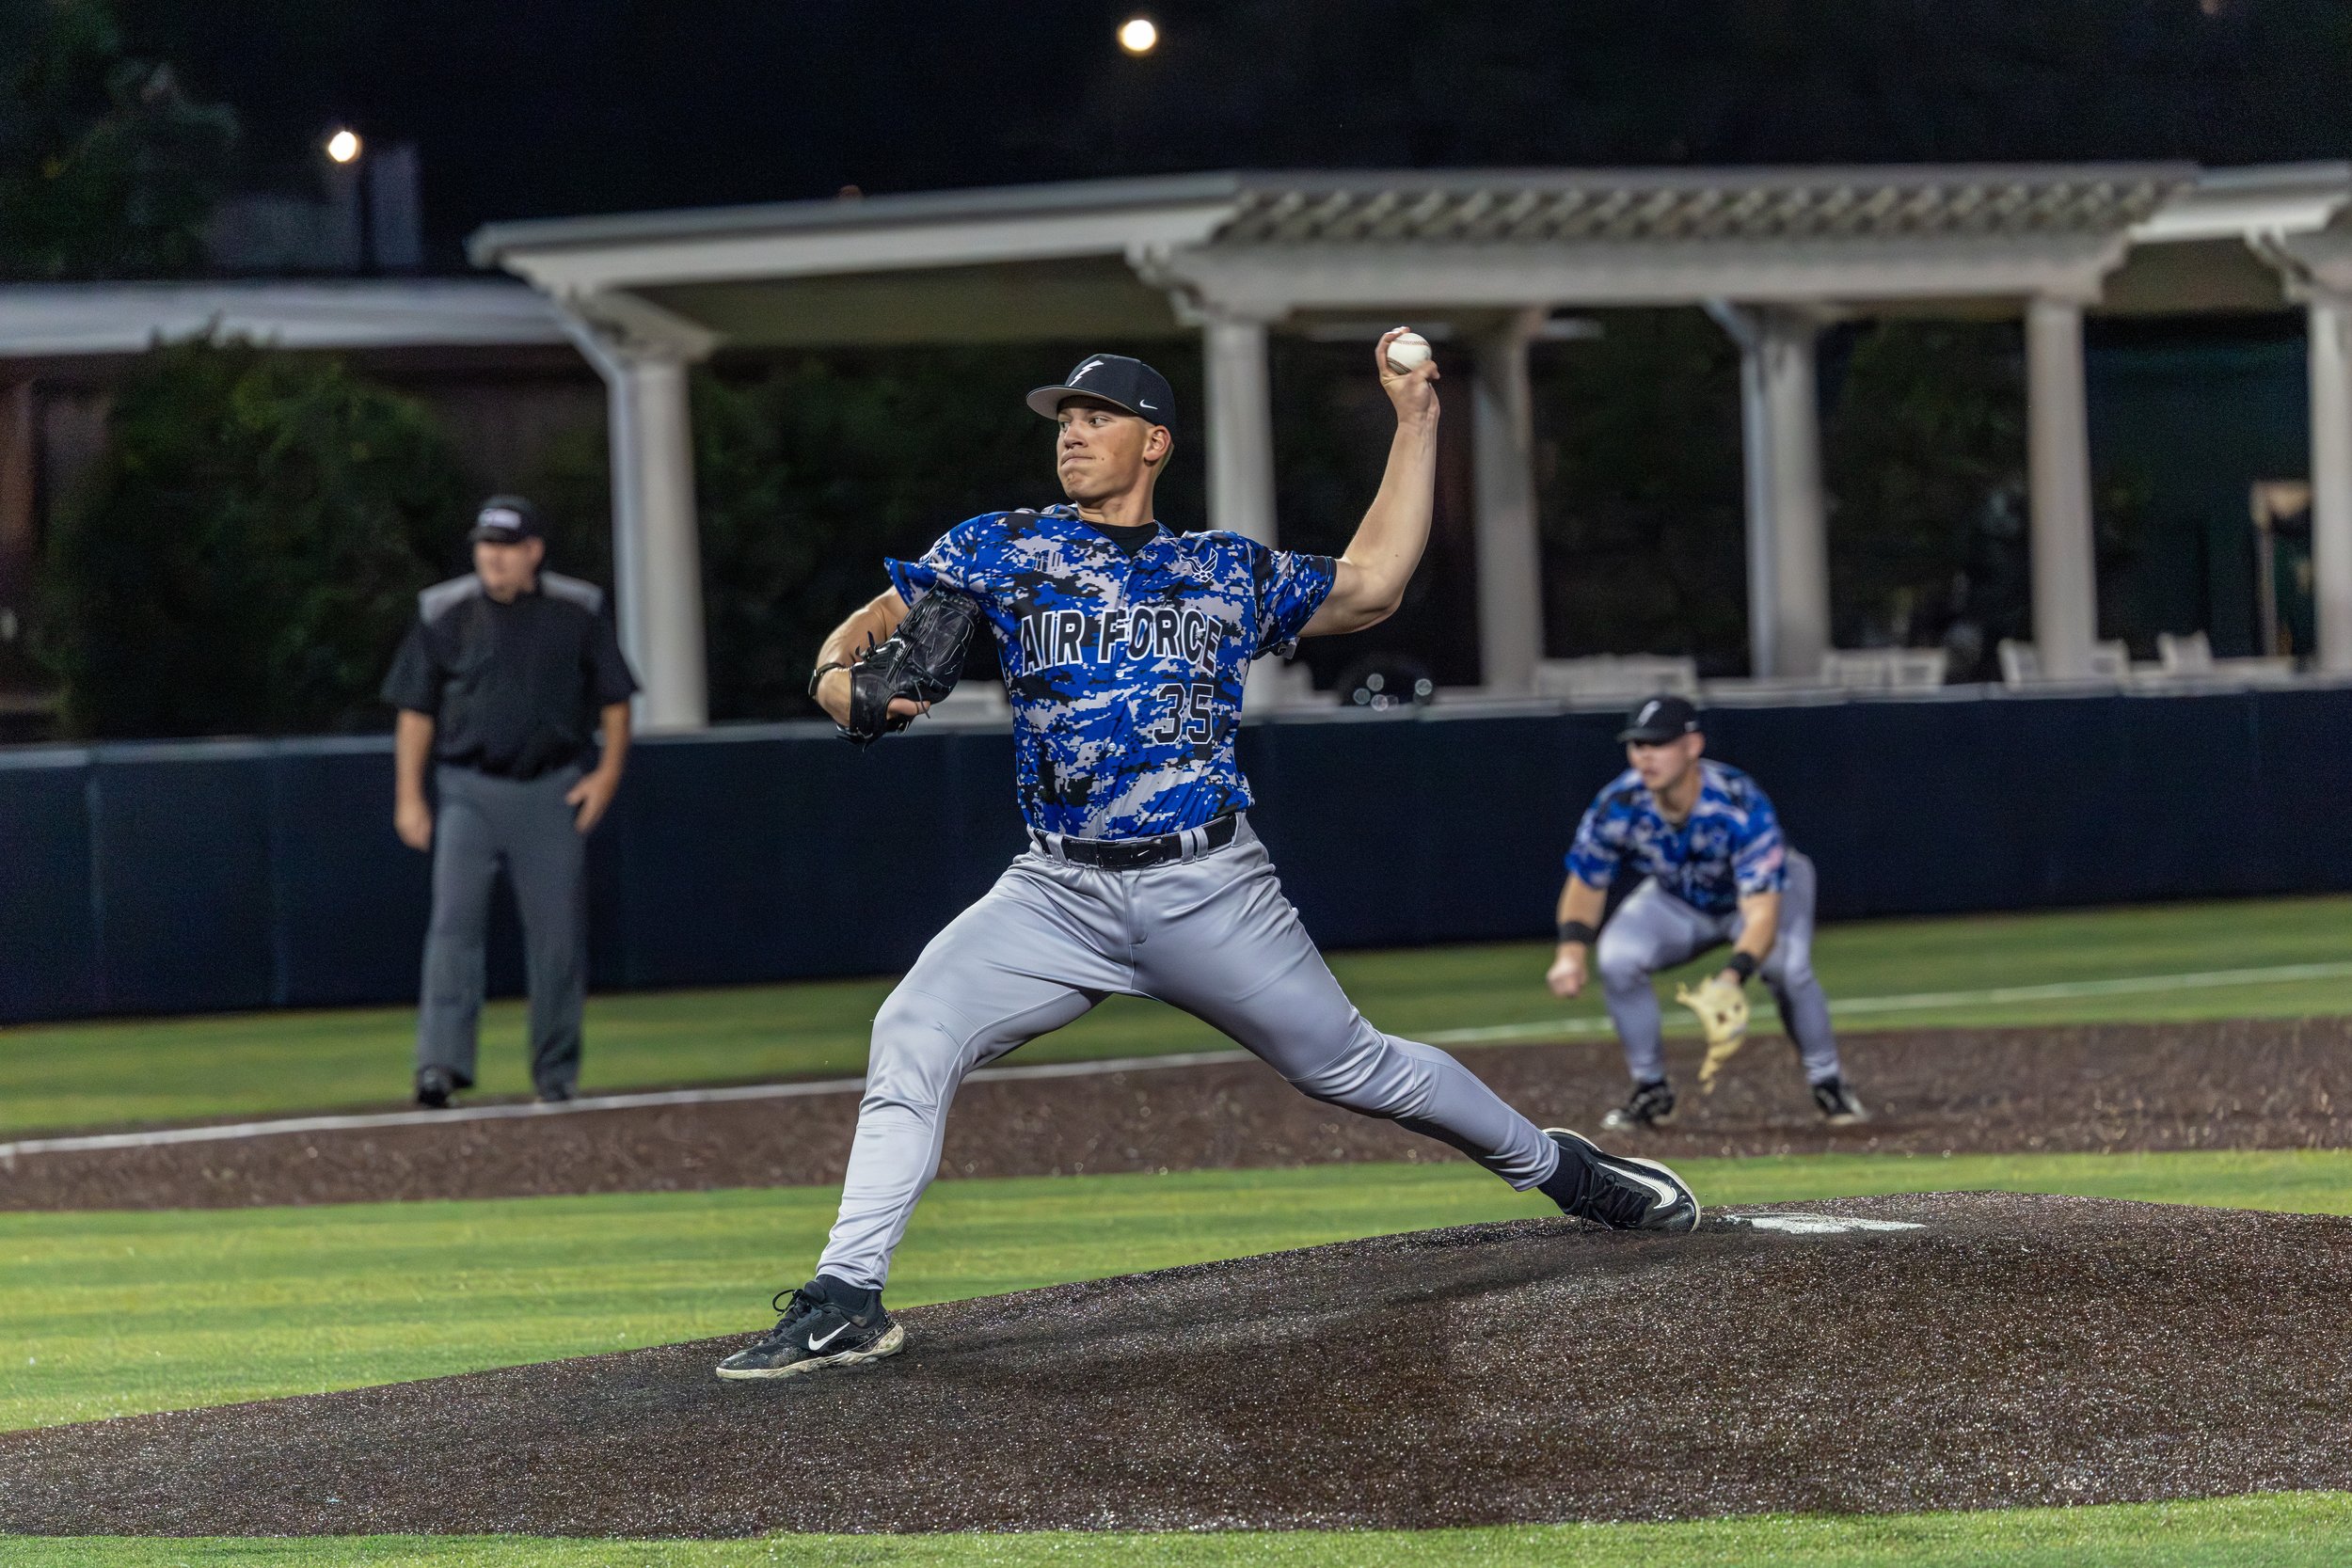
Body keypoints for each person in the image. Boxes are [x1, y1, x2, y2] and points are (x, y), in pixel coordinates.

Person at [712, 339, 1702, 1384]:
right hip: (1056, 891)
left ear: (1155, 441)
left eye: (1097, 417)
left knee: (1353, 1066)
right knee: (910, 1028)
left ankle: (1563, 1170)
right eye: (1063, 419)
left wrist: (1415, 422)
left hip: (1210, 885)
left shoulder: (1220, 569)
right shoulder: (1000, 545)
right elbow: (890, 612)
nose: (1073, 433)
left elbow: (1370, 585)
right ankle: (846, 1294)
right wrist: (831, 669)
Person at [380, 496, 638, 1109]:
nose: (493, 558)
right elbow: (415, 710)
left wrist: (604, 777)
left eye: (505, 546)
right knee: (453, 928)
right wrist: (409, 796)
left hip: (550, 787)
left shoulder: (577, 609)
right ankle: (439, 1065)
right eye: (485, 546)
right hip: (468, 787)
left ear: (533, 551)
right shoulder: (445, 611)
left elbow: (616, 699)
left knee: (557, 938)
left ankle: (554, 1071)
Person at [1545, 695, 1867, 1131]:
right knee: (1617, 957)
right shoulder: (1618, 803)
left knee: (1787, 969)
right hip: (1679, 898)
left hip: (1759, 897)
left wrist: (1732, 977)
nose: (1645, 755)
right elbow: (1586, 881)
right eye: (1637, 744)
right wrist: (1570, 953)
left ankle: (1828, 1081)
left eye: (1658, 743)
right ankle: (1651, 1088)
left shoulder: (1737, 801)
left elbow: (1761, 914)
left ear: (1692, 745)